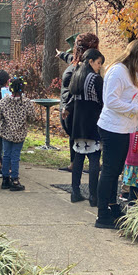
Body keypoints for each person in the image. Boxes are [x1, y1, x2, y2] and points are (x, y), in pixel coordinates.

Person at [95, 39, 138, 229]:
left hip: (123, 127)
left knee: (115, 172)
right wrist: (137, 108)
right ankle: (102, 214)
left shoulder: (129, 72)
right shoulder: (118, 71)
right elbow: (111, 101)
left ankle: (112, 206)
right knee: (110, 172)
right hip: (113, 128)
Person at [56, 33, 100, 173]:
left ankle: (82, 166)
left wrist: (67, 107)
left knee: (80, 142)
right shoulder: (85, 66)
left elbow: (75, 94)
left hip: (74, 111)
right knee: (79, 141)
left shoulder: (81, 71)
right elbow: (72, 58)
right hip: (73, 109)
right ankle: (78, 165)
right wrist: (62, 54)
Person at [68, 48, 105, 207]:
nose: (99, 66)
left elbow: (71, 98)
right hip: (93, 121)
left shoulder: (76, 75)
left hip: (77, 121)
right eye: (98, 63)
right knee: (94, 158)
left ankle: (75, 191)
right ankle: (93, 196)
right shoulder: (95, 79)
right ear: (91, 62)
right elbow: (103, 100)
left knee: (78, 157)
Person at [0, 76, 36, 191]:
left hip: (6, 132)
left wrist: (4, 120)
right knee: (15, 156)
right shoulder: (26, 103)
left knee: (6, 154)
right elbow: (32, 117)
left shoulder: (4, 101)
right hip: (20, 133)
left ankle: (5, 179)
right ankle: (15, 179)